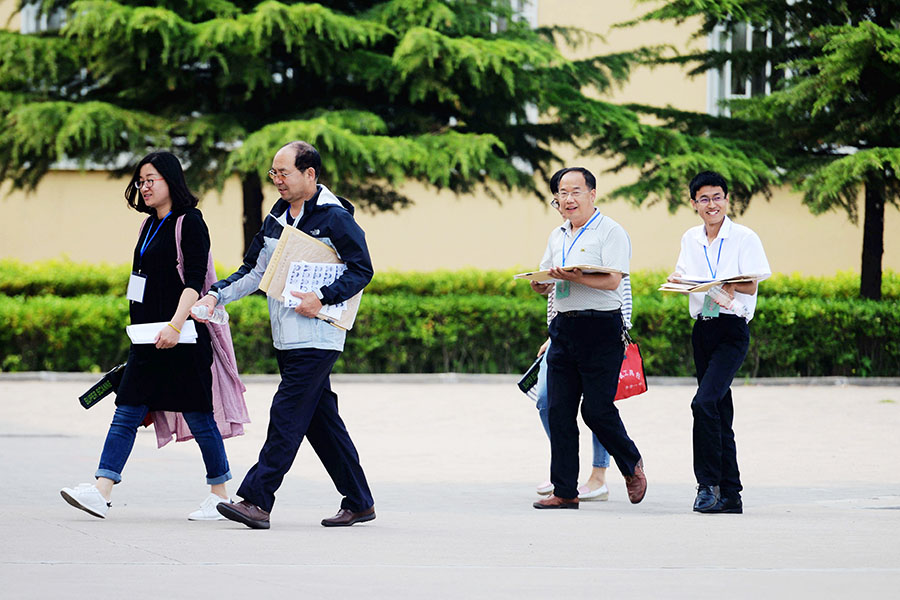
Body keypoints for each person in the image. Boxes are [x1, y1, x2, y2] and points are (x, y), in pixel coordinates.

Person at [193, 141, 375, 530]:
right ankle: (359, 501)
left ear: (310, 174)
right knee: (321, 422)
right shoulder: (277, 214)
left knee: (286, 416)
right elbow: (255, 271)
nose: (277, 181)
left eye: (284, 173)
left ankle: (257, 500)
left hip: (319, 336)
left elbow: (362, 270)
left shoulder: (335, 217)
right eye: (273, 174)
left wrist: (322, 297)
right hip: (287, 337)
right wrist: (215, 295)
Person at [60, 151, 233, 521]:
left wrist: (174, 326)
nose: (145, 186)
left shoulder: (190, 222)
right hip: (147, 340)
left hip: (182, 339)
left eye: (151, 178)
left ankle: (220, 495)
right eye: (141, 180)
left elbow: (195, 283)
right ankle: (101, 489)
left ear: (171, 180)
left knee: (200, 416)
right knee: (126, 411)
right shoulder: (147, 226)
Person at [531, 167, 646, 510]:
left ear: (592, 194)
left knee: (596, 410)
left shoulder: (610, 232)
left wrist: (577, 278)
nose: (568, 199)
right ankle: (566, 491)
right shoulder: (558, 235)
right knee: (559, 411)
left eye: (575, 191)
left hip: (601, 329)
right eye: (562, 193)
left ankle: (631, 464)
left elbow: (613, 281)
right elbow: (550, 278)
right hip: (564, 329)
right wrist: (541, 284)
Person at [668, 171, 770, 514]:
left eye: (717, 197)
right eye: (704, 199)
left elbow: (752, 284)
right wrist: (679, 281)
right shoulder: (690, 238)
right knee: (718, 411)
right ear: (694, 203)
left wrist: (721, 282)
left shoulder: (744, 237)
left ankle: (706, 485)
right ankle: (732, 495)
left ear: (727, 200)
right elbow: (685, 275)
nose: (711, 204)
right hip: (703, 328)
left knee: (703, 403)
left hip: (732, 328)